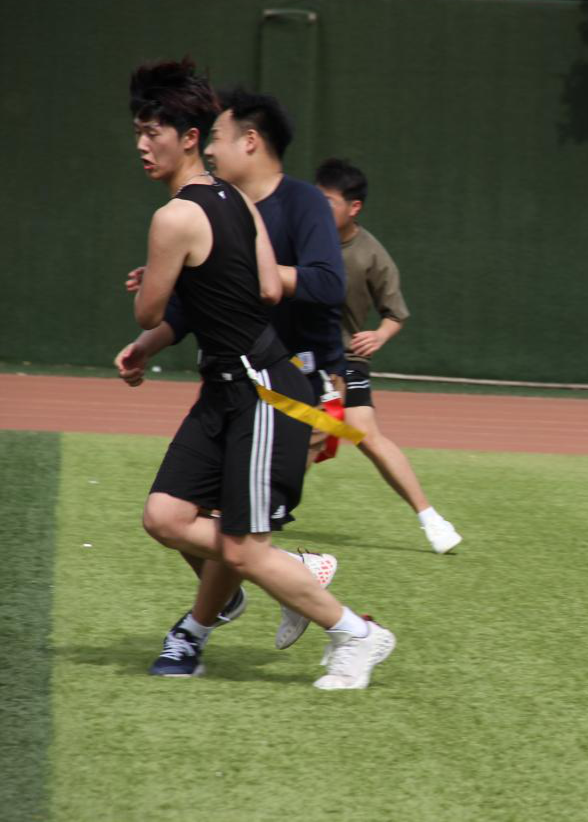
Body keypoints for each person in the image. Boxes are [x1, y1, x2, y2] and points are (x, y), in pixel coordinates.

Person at [117, 59, 394, 689]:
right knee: (164, 516)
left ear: (189, 137)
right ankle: (289, 567)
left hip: (262, 390)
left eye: (153, 132)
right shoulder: (237, 200)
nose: (142, 145)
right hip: (226, 387)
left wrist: (162, 275)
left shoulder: (174, 217)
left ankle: (357, 635)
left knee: (243, 548)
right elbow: (268, 286)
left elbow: (148, 310)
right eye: (137, 132)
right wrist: (197, 278)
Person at [313, 157, 462, 554]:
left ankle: (431, 519)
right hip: (296, 355)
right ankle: (246, 509)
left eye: (327, 202)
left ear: (354, 207)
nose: (317, 208)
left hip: (345, 360)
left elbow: (396, 313)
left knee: (362, 434)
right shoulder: (302, 236)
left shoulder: (371, 255)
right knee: (292, 431)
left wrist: (380, 334)